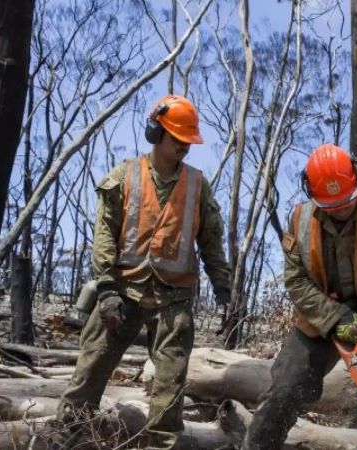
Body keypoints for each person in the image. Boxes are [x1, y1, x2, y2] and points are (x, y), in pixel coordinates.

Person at [54, 94, 233, 449]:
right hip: (122, 291)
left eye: (187, 141)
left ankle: (160, 445)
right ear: (156, 132)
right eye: (176, 139)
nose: (183, 146)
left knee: (169, 387)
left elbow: (211, 241)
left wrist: (222, 284)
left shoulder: (198, 185)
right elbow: (104, 236)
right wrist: (105, 289)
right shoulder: (124, 177)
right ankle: (66, 438)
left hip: (174, 299)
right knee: (89, 373)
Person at [241, 144, 357, 450]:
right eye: (332, 205)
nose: (341, 209)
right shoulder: (300, 220)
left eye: (346, 201)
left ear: (356, 181)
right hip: (320, 318)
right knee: (286, 387)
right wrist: (334, 317)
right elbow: (296, 280)